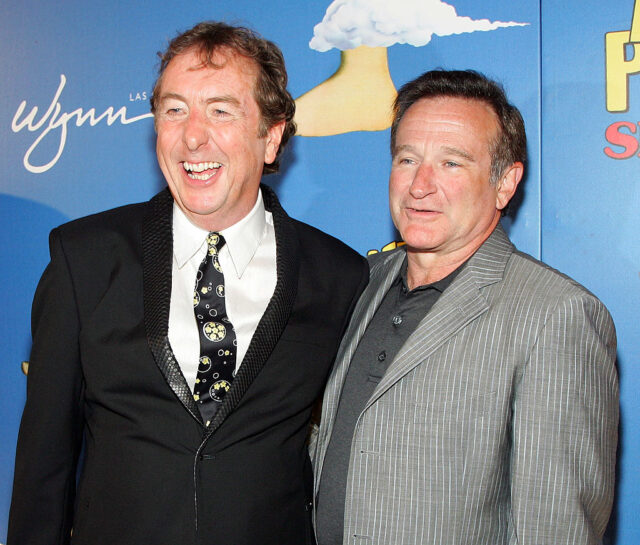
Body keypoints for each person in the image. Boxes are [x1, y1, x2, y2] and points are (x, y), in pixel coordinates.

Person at [8, 21, 368, 545]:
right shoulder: (83, 259)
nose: (192, 135)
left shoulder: (338, 275)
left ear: (271, 138)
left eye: (221, 110)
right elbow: (44, 463)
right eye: (174, 110)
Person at [312, 70, 618, 545]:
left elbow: (556, 529)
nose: (420, 185)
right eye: (407, 158)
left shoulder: (556, 315)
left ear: (505, 183)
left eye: (452, 163)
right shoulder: (358, 283)